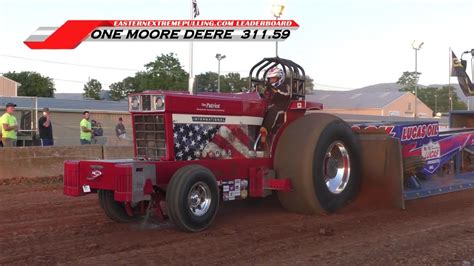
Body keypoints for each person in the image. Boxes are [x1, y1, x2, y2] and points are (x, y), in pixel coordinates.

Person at [259, 67, 291, 144]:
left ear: (280, 78)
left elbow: (285, 94)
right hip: (271, 105)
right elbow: (264, 96)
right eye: (270, 79)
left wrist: (272, 89)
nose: (271, 80)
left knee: (273, 110)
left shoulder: (285, 86)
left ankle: (265, 130)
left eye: (273, 78)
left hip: (283, 106)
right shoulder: (268, 87)